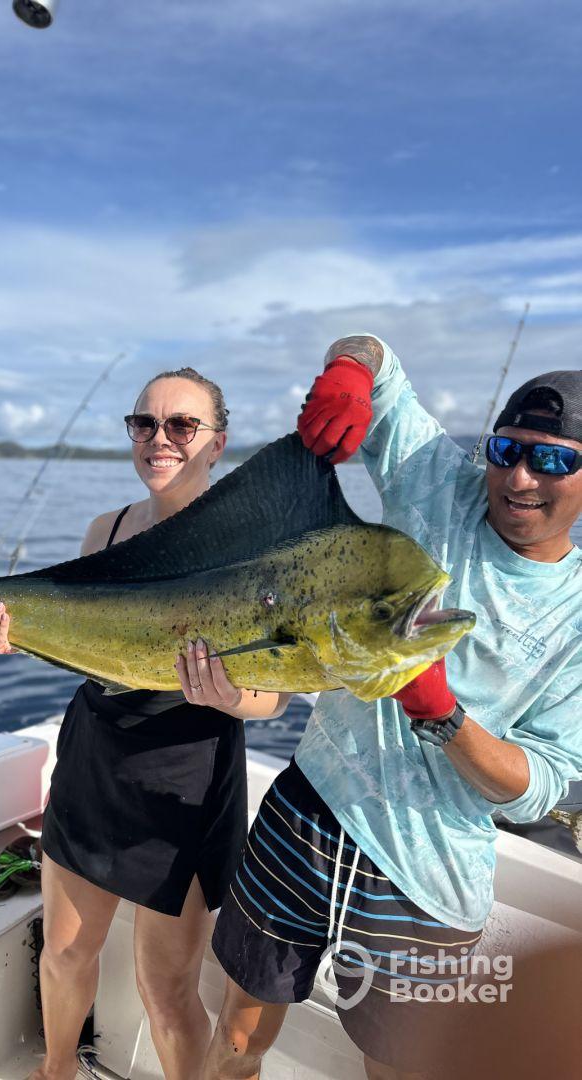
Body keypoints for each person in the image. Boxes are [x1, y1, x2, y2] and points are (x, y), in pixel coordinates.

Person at [204, 337, 582, 1080]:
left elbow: (544, 781)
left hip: (427, 869)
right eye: (506, 448)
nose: (518, 476)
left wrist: (444, 715)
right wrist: (350, 370)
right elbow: (376, 353)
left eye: (555, 460)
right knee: (237, 1038)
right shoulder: (444, 483)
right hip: (307, 808)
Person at [0, 366, 293, 1080]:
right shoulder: (105, 530)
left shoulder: (252, 550)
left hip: (186, 777)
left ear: (218, 443)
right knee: (65, 951)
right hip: (95, 758)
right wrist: (8, 633)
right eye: (144, 424)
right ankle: (56, 1072)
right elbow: (80, 643)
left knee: (165, 990)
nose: (159, 440)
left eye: (182, 426)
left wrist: (225, 694)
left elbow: (273, 699)